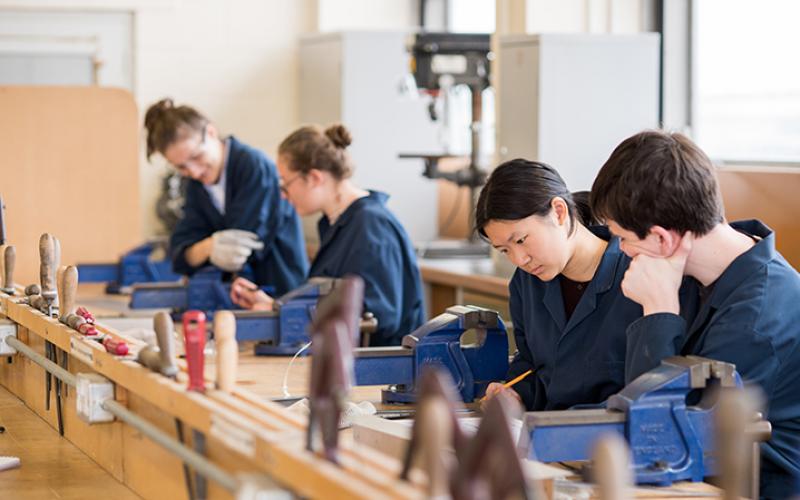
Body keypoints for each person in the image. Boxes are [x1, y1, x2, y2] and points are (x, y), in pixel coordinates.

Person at [590, 129, 800, 498]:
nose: (622, 250)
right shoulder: (692, 273)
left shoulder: (757, 319)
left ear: (662, 238)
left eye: (623, 237)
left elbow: (658, 435)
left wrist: (658, 311)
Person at [476, 159, 670, 411]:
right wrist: (514, 393)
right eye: (504, 250)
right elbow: (533, 365)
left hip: (613, 440)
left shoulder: (641, 275)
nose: (519, 260)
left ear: (559, 212)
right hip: (544, 438)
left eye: (521, 240)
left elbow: (652, 390)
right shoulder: (526, 284)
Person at [229, 123, 425, 347]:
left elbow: (376, 317)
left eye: (286, 184)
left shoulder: (371, 225)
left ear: (314, 178)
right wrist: (277, 308)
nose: (283, 195)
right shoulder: (337, 223)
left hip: (380, 373)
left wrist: (288, 316)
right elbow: (331, 301)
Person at [144, 98, 308, 296]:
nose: (194, 172)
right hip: (237, 297)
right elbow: (180, 251)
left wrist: (201, 249)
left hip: (281, 291)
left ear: (211, 133)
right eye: (181, 167)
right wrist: (208, 247)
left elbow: (240, 247)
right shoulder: (197, 185)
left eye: (196, 157)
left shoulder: (254, 167)